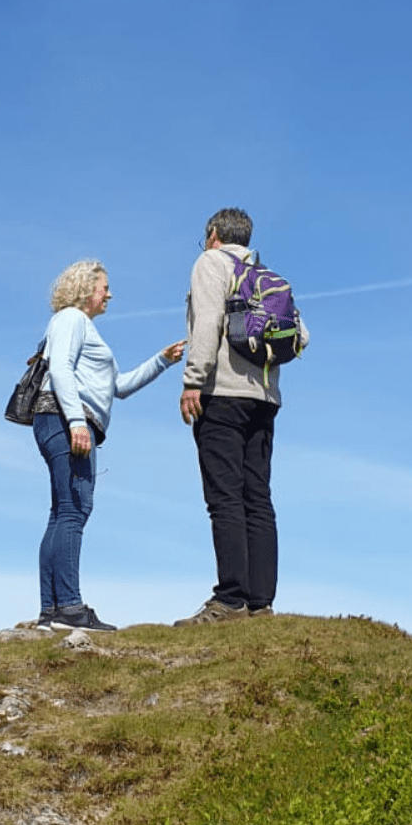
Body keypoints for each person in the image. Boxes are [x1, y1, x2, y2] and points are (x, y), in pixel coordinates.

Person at [33, 259, 185, 633]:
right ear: (87, 289)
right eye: (104, 287)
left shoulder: (81, 327)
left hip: (62, 419)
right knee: (74, 510)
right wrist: (76, 422)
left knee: (63, 511)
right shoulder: (72, 320)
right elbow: (61, 370)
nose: (110, 294)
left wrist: (162, 361)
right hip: (65, 419)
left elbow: (120, 386)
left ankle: (52, 611)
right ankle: (68, 607)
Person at [175, 208, 308, 626]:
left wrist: (193, 380)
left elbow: (209, 322)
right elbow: (301, 336)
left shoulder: (211, 263)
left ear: (213, 234)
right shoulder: (267, 277)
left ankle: (230, 599)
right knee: (258, 498)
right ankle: (260, 602)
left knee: (224, 497)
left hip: (223, 394)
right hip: (265, 398)